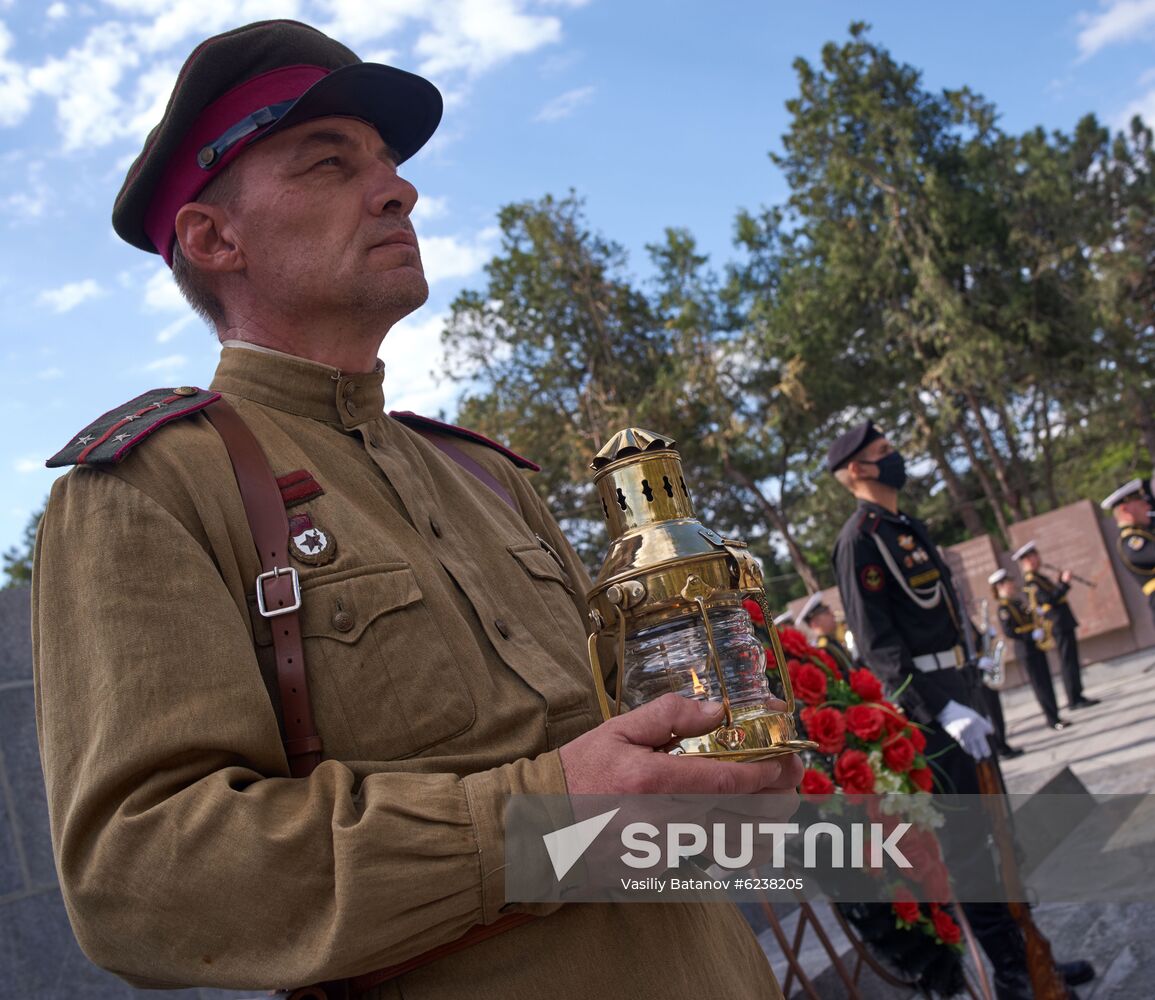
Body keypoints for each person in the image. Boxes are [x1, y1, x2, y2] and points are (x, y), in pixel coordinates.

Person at [32, 20, 801, 1000]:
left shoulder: (485, 473)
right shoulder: (148, 489)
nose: (398, 188)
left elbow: (624, 768)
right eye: (328, 162)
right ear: (212, 237)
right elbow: (140, 881)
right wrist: (539, 817)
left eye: (389, 164)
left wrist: (718, 776)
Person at [827, 419, 1092, 999]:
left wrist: (969, 688)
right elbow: (878, 649)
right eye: (884, 452)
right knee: (972, 844)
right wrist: (940, 709)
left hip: (964, 690)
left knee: (1000, 830)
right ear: (856, 471)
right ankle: (1014, 975)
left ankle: (1031, 952)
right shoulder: (860, 540)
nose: (895, 458)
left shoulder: (905, 527)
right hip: (934, 712)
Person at [1012, 540, 1100, 711]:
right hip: (1057, 624)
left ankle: (1077, 694)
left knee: (1071, 659)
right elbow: (1049, 599)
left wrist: (1060, 581)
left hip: (1063, 622)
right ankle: (1073, 698)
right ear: (1027, 560)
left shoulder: (1039, 577)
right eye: (1034, 556)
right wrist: (1064, 583)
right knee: (1067, 660)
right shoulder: (1032, 581)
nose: (1038, 559)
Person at [990, 569, 1069, 732]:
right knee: (1040, 685)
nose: (1012, 585)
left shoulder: (1017, 602)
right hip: (1026, 649)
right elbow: (1010, 632)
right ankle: (1051, 719)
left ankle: (1056, 715)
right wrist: (1030, 634)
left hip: (1036, 646)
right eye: (1009, 583)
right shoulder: (1004, 608)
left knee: (1047, 682)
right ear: (1000, 586)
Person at [1101, 477, 1155, 626]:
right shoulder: (1131, 542)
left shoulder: (1146, 534)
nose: (1148, 507)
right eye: (1142, 503)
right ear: (1125, 509)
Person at [797, 591, 855, 679]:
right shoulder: (822, 648)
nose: (832, 614)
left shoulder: (832, 641)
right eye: (827, 613)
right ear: (815, 623)